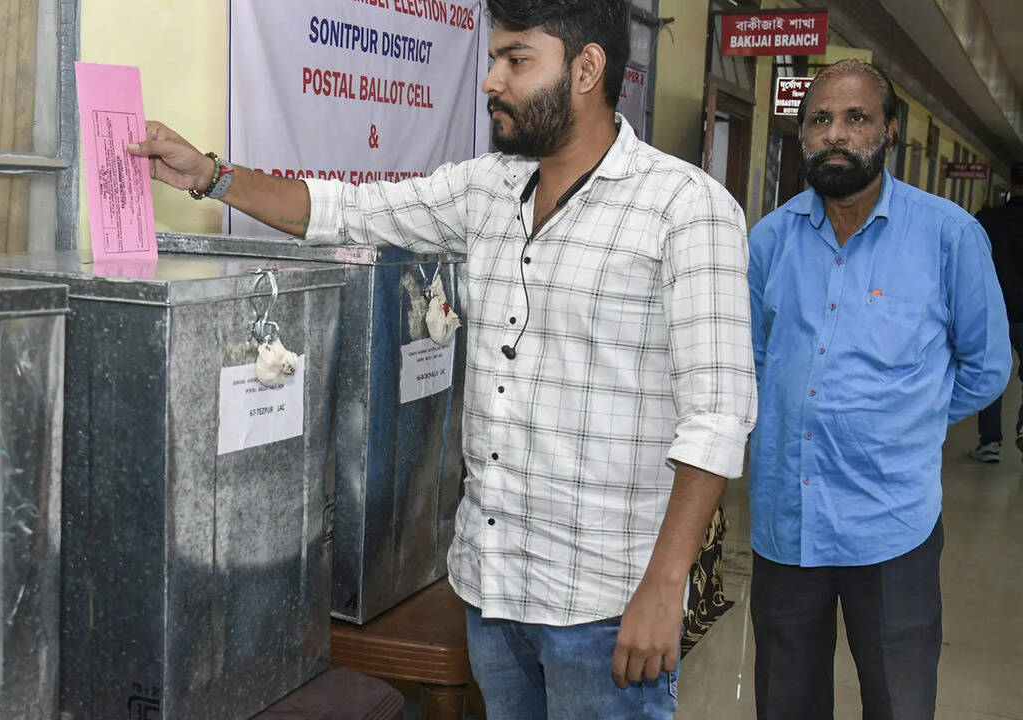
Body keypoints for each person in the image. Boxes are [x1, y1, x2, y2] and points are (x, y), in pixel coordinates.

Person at [130, 1, 756, 716]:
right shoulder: (489, 188)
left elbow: (717, 416)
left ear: (587, 69)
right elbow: (342, 211)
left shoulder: (686, 208)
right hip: (492, 591)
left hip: (606, 604)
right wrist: (211, 174)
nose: (492, 80)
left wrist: (665, 587)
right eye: (491, 59)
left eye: (517, 60)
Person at [746, 59, 1011, 720]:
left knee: (899, 700)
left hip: (891, 525)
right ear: (802, 135)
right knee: (785, 701)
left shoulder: (950, 237)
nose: (835, 134)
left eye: (856, 118)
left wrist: (907, 420)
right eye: (819, 120)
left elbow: (986, 368)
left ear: (889, 130)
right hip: (787, 522)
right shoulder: (769, 241)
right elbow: (751, 365)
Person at [969, 162, 1023, 463]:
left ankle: (990, 442)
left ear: (1011, 186)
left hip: (994, 310)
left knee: (992, 375)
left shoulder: (989, 220)